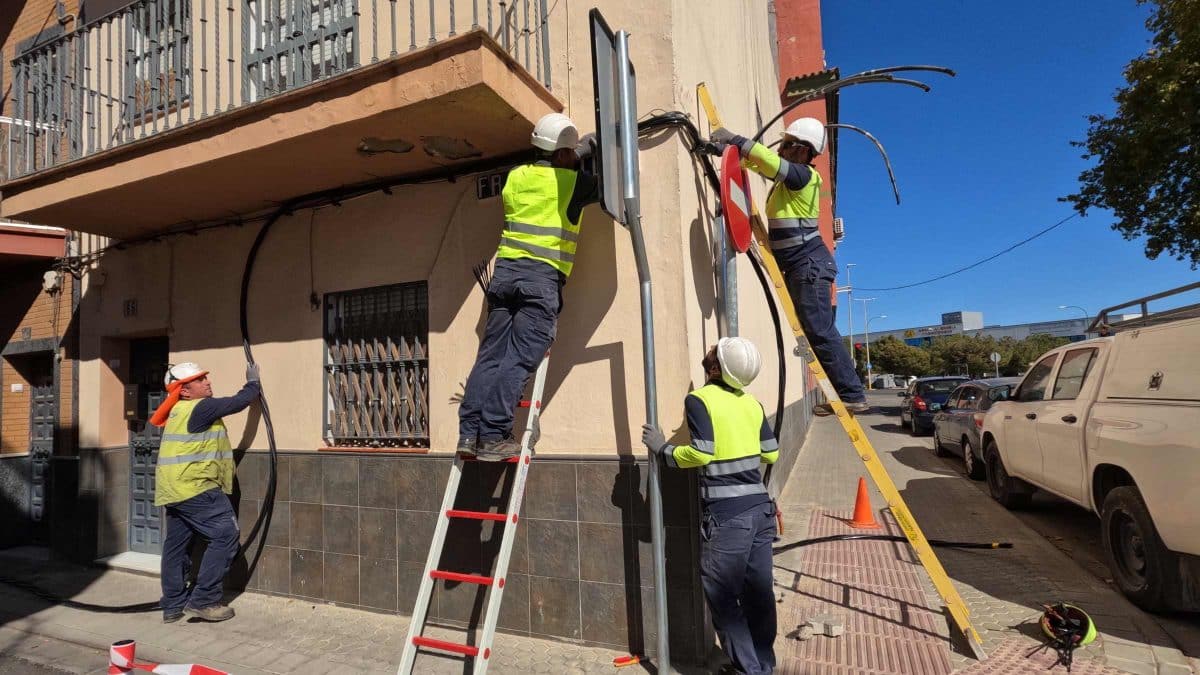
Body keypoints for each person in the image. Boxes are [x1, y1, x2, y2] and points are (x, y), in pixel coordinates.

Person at [457, 112, 599, 460]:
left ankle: (469, 435)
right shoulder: (572, 184)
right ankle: (493, 436)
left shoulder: (515, 177)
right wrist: (596, 144)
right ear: (563, 155)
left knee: (490, 357)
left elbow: (559, 165)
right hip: (540, 279)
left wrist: (575, 149)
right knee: (520, 358)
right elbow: (598, 183)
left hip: (504, 276)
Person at [642, 338, 779, 675]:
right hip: (761, 511)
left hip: (728, 517)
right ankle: (762, 664)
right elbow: (771, 453)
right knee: (759, 594)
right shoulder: (752, 404)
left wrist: (663, 450)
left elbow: (702, 453)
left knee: (722, 596)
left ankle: (750, 670)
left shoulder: (699, 399)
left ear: (715, 367)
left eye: (716, 351)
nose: (712, 350)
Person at [712, 120, 869, 414]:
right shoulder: (789, 181)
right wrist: (726, 153)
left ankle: (852, 394)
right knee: (816, 331)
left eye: (786, 145)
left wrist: (736, 138)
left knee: (820, 330)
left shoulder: (804, 176)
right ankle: (845, 393)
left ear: (801, 149)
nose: (781, 149)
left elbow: (770, 162)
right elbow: (762, 166)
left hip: (808, 265)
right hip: (801, 267)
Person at [149, 361, 261, 623]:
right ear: (184, 391)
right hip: (196, 487)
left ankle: (173, 604)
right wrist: (253, 383)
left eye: (205, 378)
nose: (207, 382)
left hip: (174, 489)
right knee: (225, 534)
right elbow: (238, 402)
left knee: (176, 546)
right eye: (199, 380)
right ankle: (204, 600)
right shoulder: (201, 407)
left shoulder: (179, 411)